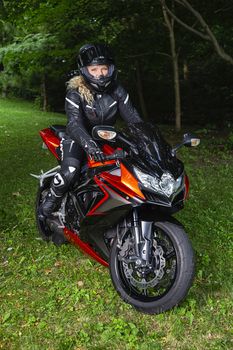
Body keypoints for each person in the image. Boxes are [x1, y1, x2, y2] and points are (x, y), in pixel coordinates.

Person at [39, 43, 143, 218]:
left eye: (104, 68)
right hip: (77, 138)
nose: (100, 74)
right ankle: (48, 205)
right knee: (71, 170)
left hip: (107, 136)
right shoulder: (75, 92)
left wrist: (148, 143)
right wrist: (90, 146)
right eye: (94, 69)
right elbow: (74, 123)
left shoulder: (118, 90)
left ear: (111, 69)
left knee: (130, 167)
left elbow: (133, 118)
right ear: (85, 70)